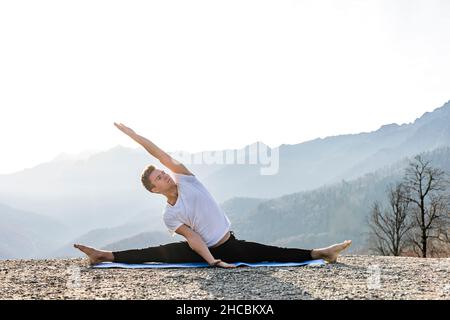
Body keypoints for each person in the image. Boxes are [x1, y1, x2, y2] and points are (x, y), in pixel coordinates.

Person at [74, 123, 352, 268]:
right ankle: (103, 254)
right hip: (205, 250)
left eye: (162, 172)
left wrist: (134, 135)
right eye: (158, 178)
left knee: (270, 252)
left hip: (228, 244)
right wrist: (212, 262)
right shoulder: (169, 215)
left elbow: (158, 153)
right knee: (156, 253)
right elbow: (193, 238)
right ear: (155, 190)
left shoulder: (187, 179)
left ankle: (321, 252)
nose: (164, 175)